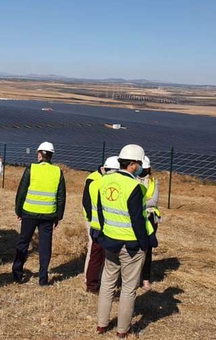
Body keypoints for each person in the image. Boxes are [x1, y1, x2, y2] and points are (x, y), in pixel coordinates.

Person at [95, 144, 156, 338]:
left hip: (110, 241)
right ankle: (123, 330)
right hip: (131, 245)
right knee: (129, 288)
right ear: (131, 164)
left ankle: (101, 324)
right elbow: (137, 219)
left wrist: (104, 235)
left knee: (107, 283)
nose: (140, 167)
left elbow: (101, 211)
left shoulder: (104, 181)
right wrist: (144, 244)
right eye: (138, 163)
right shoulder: (135, 186)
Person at [12, 141, 66, 286]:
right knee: (45, 246)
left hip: (29, 213)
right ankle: (43, 278)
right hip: (48, 215)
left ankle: (17, 273)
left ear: (41, 154)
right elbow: (61, 196)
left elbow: (21, 191)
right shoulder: (57, 172)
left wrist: (18, 210)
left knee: (23, 242)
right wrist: (58, 216)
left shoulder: (31, 169)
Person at [82, 155, 120, 293]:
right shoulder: (114, 185)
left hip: (96, 226)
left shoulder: (94, 183)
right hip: (110, 227)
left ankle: (91, 284)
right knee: (110, 258)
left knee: (95, 256)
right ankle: (105, 284)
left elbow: (88, 203)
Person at [138, 155, 161, 291]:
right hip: (136, 216)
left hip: (150, 217)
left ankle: (145, 279)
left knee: (147, 249)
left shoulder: (154, 181)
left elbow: (154, 200)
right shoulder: (132, 179)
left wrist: (138, 203)